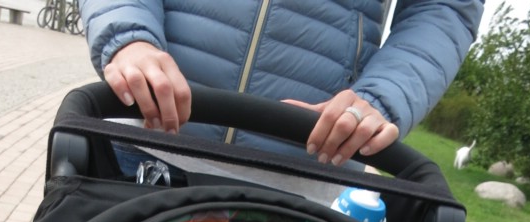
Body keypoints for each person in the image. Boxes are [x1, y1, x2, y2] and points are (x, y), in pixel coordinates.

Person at [78, 0, 484, 167]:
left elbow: (443, 8)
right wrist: (128, 34)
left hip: (303, 172)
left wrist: (381, 96)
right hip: (142, 140)